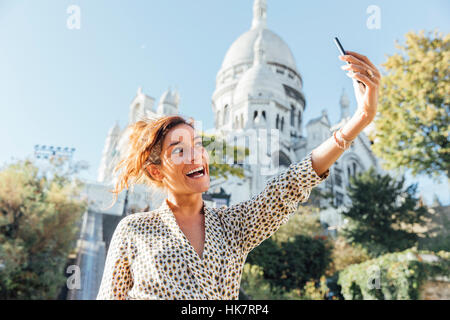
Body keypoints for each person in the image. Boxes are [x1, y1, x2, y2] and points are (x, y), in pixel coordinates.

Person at [96, 51, 380, 300]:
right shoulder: (134, 230)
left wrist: (361, 117)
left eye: (198, 145)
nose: (196, 155)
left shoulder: (232, 226)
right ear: (155, 170)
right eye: (180, 150)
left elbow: (292, 184)